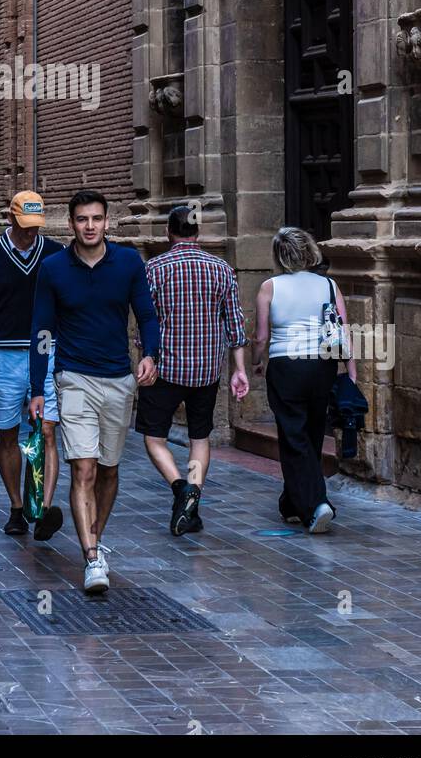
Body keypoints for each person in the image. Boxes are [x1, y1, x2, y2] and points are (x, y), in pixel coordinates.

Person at [29, 190, 159, 595]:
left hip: (119, 377)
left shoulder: (127, 263)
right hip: (74, 378)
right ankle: (91, 556)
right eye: (82, 219)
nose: (89, 226)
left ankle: (96, 538)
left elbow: (147, 313)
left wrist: (150, 354)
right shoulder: (53, 269)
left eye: (96, 219)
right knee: (83, 468)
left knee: (109, 469)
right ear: (71, 224)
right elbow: (42, 331)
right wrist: (37, 386)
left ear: (107, 222)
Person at [136, 205, 249, 537]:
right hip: (207, 372)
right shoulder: (222, 269)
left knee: (154, 438)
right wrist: (238, 370)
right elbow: (236, 327)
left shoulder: (154, 269)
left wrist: (145, 355)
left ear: (169, 233)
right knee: (200, 437)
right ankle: (192, 499)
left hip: (165, 370)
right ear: (198, 234)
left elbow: (146, 320)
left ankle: (180, 488)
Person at [0, 191, 64, 540]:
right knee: (8, 432)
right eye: (24, 227)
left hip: (46, 348)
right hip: (4, 353)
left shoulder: (54, 254)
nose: (30, 234)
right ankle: (17, 506)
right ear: (10, 219)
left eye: (35, 227)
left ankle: (44, 509)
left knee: (47, 429)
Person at [252, 226, 355, 534]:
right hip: (322, 365)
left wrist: (257, 362)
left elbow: (261, 336)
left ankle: (317, 504)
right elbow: (343, 331)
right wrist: (351, 372)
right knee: (310, 433)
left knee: (293, 437)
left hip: (286, 366)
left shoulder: (269, 287)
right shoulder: (329, 285)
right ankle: (292, 503)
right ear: (309, 251)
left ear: (279, 255)